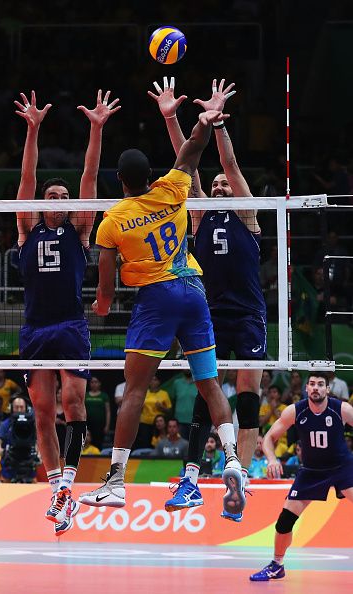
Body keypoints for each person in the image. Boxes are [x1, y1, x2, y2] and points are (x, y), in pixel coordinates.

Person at [79, 101, 243, 518]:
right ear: (151, 176)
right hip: (194, 289)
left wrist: (99, 307)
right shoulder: (173, 188)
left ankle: (116, 481)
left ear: (119, 180)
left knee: (134, 390)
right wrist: (205, 120)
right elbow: (192, 148)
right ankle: (232, 459)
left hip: (156, 298)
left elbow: (105, 290)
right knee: (210, 385)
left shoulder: (113, 220)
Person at [148, 76, 265, 521]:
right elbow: (188, 164)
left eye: (223, 185)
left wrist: (218, 126)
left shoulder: (248, 214)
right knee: (205, 388)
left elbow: (229, 165)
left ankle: (243, 474)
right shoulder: (197, 216)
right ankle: (192, 477)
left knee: (249, 389)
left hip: (249, 313)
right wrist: (173, 118)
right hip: (210, 312)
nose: (218, 187)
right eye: (213, 186)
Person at [15, 88, 120, 535]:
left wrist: (96, 129)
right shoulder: (26, 228)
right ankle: (57, 488)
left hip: (71, 325)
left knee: (73, 403)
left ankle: (70, 485)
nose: (58, 198)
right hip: (35, 328)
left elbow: (90, 176)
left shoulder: (79, 231)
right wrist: (33, 129)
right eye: (51, 195)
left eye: (63, 194)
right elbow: (26, 175)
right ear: (42, 203)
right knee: (42, 410)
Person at [249, 372, 353, 581]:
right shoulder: (295, 411)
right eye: (312, 384)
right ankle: (277, 565)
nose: (316, 388)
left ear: (327, 389)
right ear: (306, 389)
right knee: (284, 522)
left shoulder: (341, 409)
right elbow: (269, 437)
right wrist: (271, 459)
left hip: (342, 468)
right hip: (311, 471)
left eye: (320, 384)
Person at [0, 396, 38, 482]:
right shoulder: (5, 424)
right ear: (11, 408)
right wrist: (1, 451)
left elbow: (38, 442)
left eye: (21, 407)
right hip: (11, 460)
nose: (19, 409)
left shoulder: (32, 424)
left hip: (28, 459)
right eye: (16, 407)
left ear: (26, 408)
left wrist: (38, 454)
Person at [135, 375, 172, 449]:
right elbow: (137, 408)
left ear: (158, 382)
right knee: (145, 443)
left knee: (157, 444)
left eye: (154, 380)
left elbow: (169, 410)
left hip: (158, 424)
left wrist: (162, 408)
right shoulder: (144, 393)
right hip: (145, 423)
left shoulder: (164, 394)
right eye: (150, 380)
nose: (152, 382)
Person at [85, 376, 111, 450]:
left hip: (100, 425)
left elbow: (108, 411)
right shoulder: (86, 395)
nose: (94, 384)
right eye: (92, 382)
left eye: (96, 382)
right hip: (88, 424)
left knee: (98, 442)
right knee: (87, 441)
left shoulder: (104, 396)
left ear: (99, 384)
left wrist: (107, 425)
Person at [170, 370, 197, 440]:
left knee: (193, 444)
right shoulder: (177, 383)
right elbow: (173, 400)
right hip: (179, 421)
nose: (187, 368)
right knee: (180, 445)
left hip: (194, 420)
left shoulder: (198, 382)